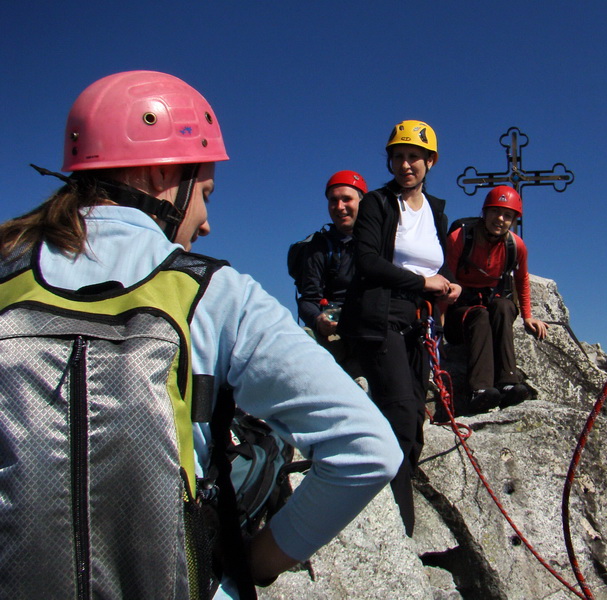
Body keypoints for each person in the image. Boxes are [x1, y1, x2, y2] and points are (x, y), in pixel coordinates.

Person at [0, 71, 401, 597]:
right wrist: (250, 566)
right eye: (205, 192)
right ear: (163, 173)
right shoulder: (216, 293)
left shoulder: (8, 273)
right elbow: (369, 449)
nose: (206, 221)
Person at [338, 119, 460, 536]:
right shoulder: (377, 203)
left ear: (431, 161)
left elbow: (437, 265)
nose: (406, 164)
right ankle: (398, 523)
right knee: (402, 414)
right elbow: (368, 262)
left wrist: (446, 286)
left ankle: (394, 506)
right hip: (381, 317)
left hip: (419, 322)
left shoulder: (436, 212)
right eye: (398, 156)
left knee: (416, 424)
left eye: (414, 156)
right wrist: (422, 283)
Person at [445, 185, 548, 414]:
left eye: (508, 215)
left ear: (513, 220)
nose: (500, 219)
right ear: (485, 212)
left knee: (503, 306)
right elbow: (446, 278)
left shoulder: (515, 246)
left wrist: (528, 316)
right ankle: (479, 391)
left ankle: (508, 382)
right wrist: (439, 324)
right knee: (479, 315)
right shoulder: (461, 237)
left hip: (490, 303)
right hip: (459, 311)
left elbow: (521, 279)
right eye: (495, 212)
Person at [290, 170, 366, 374]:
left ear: (362, 202)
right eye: (333, 200)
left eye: (347, 199)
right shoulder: (320, 246)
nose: (339, 207)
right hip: (334, 328)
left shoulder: (379, 242)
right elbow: (308, 299)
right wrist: (318, 320)